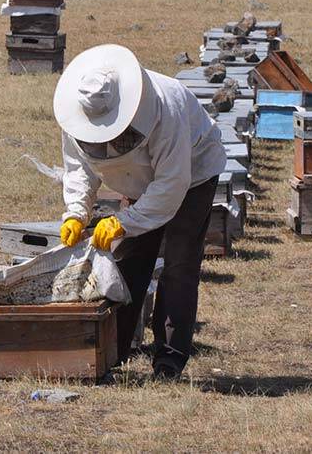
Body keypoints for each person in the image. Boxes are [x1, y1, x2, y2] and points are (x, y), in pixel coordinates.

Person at [52, 44, 227, 379]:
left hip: (192, 174)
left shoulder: (166, 107)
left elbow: (171, 185)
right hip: (140, 182)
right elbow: (79, 166)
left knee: (179, 263)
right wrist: (76, 212)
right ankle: (112, 351)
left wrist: (124, 221)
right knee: (128, 260)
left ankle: (169, 359)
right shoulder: (77, 113)